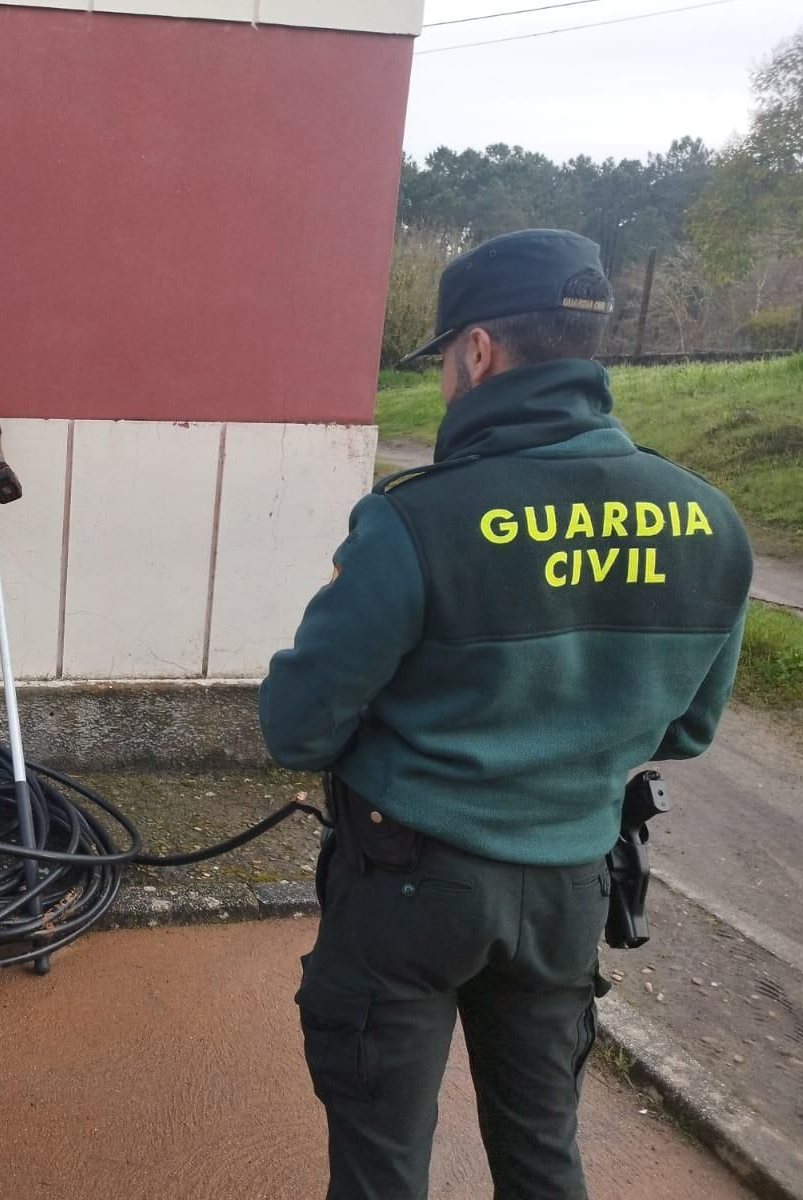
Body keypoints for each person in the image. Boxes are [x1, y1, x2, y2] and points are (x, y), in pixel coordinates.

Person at [258, 229, 753, 1200]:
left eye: (444, 361)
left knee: (380, 1164)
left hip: (407, 887)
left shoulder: (417, 521)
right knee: (542, 1156)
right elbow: (687, 730)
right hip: (570, 886)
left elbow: (296, 726)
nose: (446, 382)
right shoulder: (707, 519)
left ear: (476, 353)